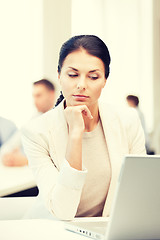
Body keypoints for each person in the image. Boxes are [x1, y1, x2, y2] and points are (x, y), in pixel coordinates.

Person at [22, 35, 146, 220]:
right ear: (59, 76)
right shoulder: (36, 132)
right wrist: (75, 135)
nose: (81, 85)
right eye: (72, 75)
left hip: (106, 231)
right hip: (53, 230)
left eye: (93, 76)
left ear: (105, 80)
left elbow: (139, 192)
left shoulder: (128, 121)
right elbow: (63, 212)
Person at [1, 79, 56, 167]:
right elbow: (11, 144)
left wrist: (26, 161)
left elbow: (58, 159)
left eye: (39, 96)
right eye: (34, 96)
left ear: (51, 95)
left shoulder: (61, 119)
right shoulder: (35, 118)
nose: (35, 101)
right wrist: (7, 156)